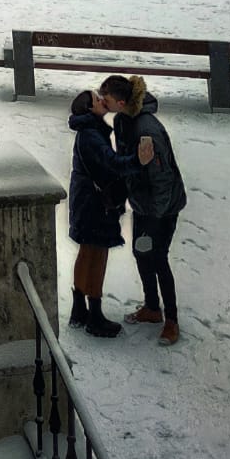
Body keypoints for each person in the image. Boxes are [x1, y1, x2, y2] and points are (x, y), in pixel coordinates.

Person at [100, 73, 188, 345]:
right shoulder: (121, 121)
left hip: (162, 208)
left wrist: (156, 215)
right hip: (142, 204)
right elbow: (129, 163)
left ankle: (171, 319)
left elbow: (162, 178)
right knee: (141, 252)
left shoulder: (146, 129)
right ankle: (152, 307)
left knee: (158, 257)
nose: (102, 103)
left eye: (106, 99)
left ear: (122, 101)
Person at [66, 90, 155, 338]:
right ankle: (94, 314)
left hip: (86, 201)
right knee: (97, 253)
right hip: (96, 204)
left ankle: (79, 309)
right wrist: (138, 160)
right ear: (89, 109)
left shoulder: (89, 131)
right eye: (96, 99)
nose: (101, 99)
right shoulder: (91, 135)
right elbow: (111, 164)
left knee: (87, 251)